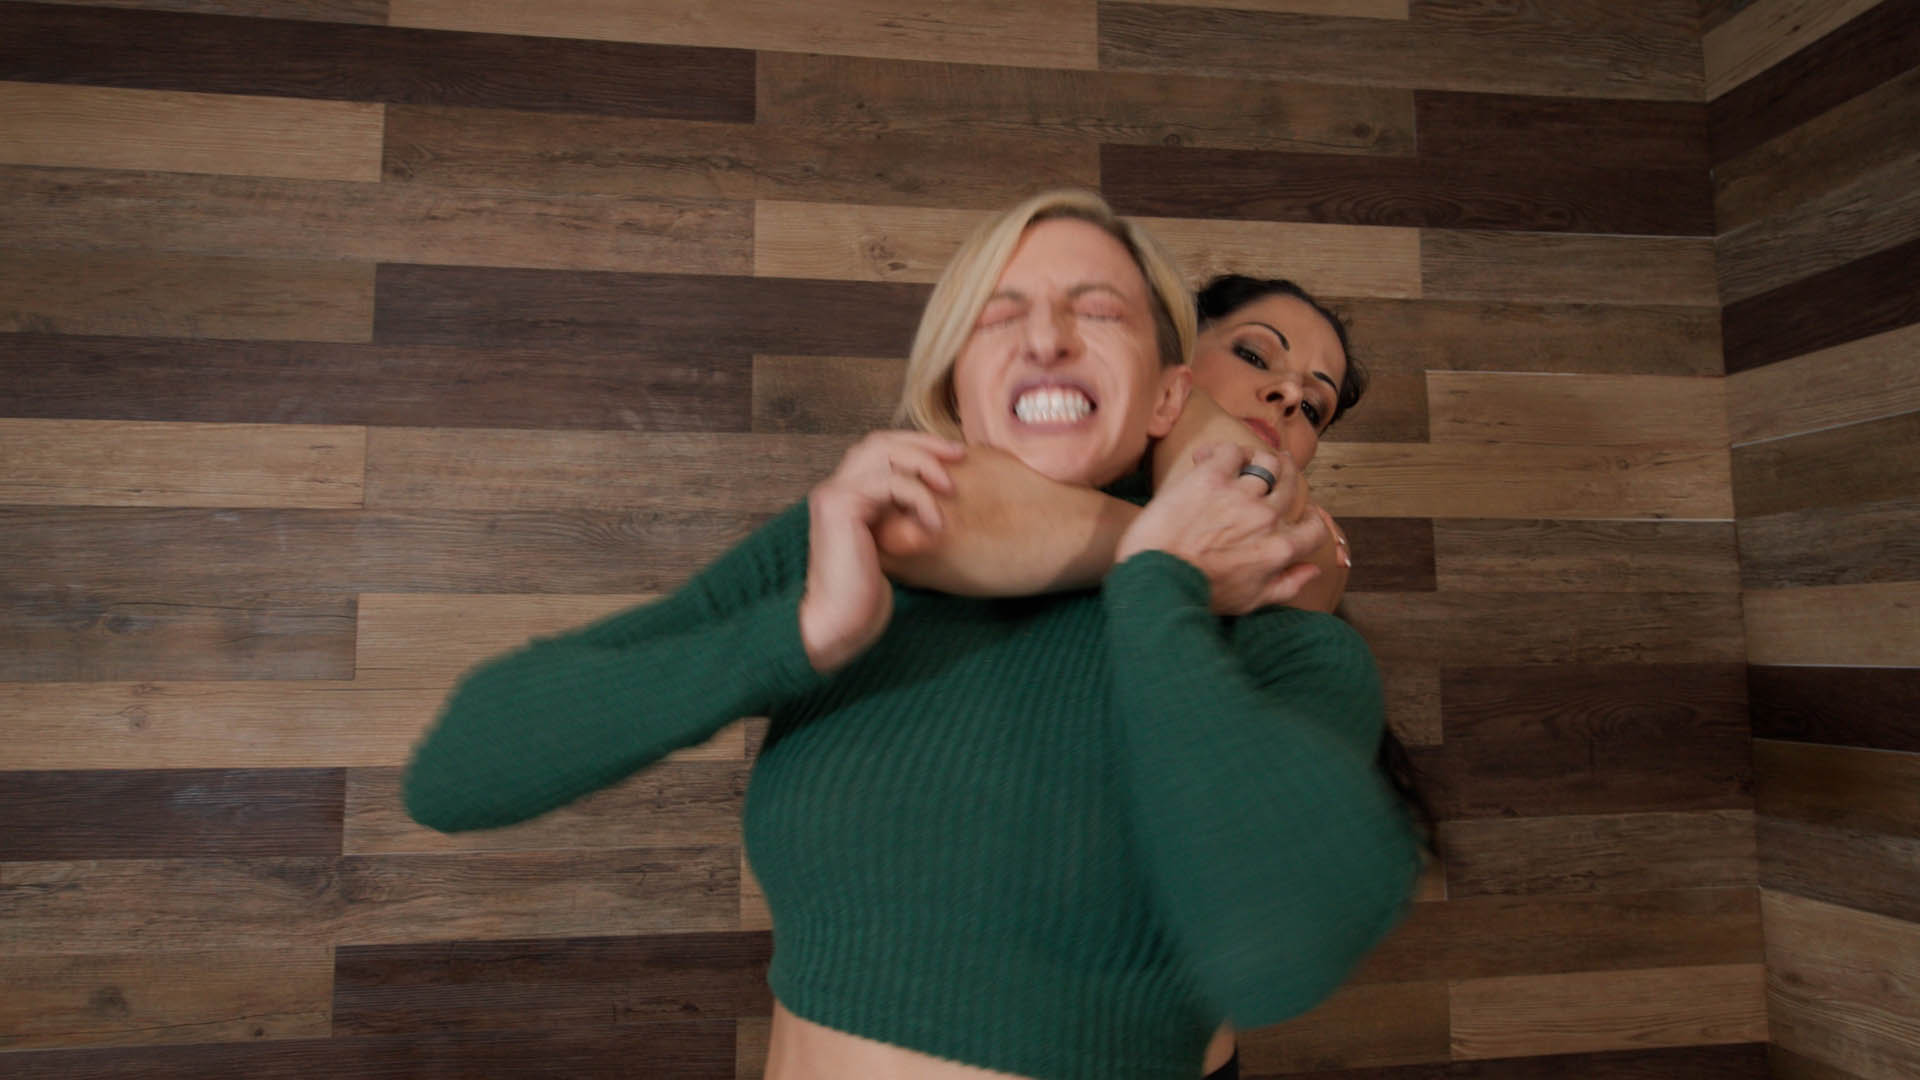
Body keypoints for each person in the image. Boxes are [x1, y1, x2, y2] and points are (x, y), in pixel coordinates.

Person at [403, 190, 1424, 1080]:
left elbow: (1284, 947)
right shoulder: (857, 543)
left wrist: (1160, 584)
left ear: (1169, 393)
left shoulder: (1283, 638)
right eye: (999, 313)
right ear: (952, 385)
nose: (1045, 338)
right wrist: (801, 633)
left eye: (1097, 309)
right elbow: (455, 773)